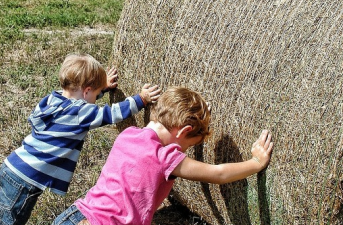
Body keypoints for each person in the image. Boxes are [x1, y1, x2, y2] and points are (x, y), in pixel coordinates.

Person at [0, 53, 162, 225]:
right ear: (86, 91)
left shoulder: (52, 100)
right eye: (96, 95)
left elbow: (82, 101)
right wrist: (141, 99)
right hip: (25, 181)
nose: (97, 99)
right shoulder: (80, 112)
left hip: (11, 167)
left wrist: (101, 89)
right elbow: (111, 114)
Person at [52, 87, 274, 225]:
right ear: (185, 131)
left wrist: (195, 115)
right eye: (189, 145)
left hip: (75, 215)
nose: (184, 152)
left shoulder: (129, 135)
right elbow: (218, 173)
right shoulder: (165, 158)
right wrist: (255, 162)